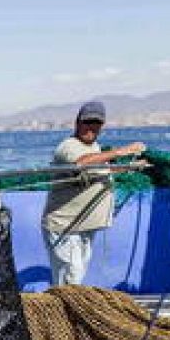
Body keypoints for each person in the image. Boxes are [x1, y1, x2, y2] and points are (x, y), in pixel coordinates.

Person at [41, 100, 145, 286]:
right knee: (71, 277)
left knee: (76, 277)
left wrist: (128, 167)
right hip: (65, 227)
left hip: (84, 227)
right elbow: (81, 164)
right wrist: (121, 151)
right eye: (87, 122)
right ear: (77, 123)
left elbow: (99, 171)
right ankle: (64, 313)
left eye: (96, 123)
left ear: (102, 126)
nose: (91, 127)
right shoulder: (69, 146)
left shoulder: (95, 148)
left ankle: (67, 312)